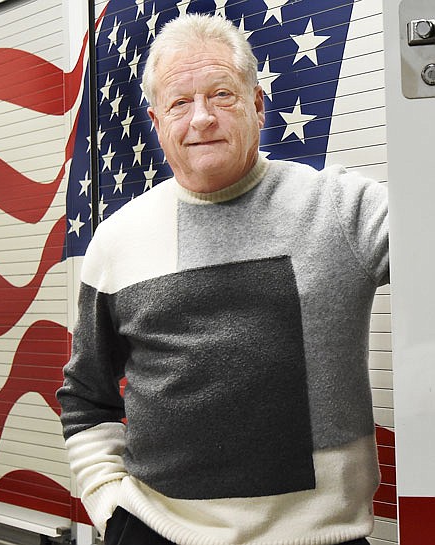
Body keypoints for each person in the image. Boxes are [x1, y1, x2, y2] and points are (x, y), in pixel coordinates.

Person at [56, 12, 388, 545]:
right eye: (180, 103)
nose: (202, 118)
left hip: (323, 538)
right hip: (157, 532)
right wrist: (111, 506)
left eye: (222, 95)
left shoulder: (345, 210)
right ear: (156, 120)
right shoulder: (117, 241)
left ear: (258, 105)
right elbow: (85, 394)